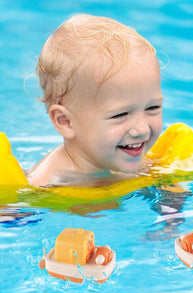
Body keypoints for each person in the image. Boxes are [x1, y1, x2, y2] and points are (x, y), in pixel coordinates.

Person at [27, 13, 163, 187]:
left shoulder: (139, 163)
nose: (142, 129)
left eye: (152, 108)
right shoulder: (43, 185)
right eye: (120, 114)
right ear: (66, 121)